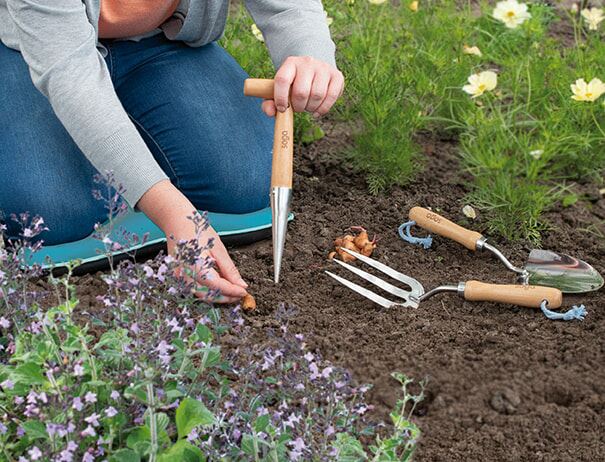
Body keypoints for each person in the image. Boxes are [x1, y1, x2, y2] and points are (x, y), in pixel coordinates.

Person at [0, 0, 344, 302]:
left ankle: (126, 147)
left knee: (245, 179)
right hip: (30, 50)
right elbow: (71, 78)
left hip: (156, 42)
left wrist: (310, 55)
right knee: (52, 215)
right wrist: (174, 213)